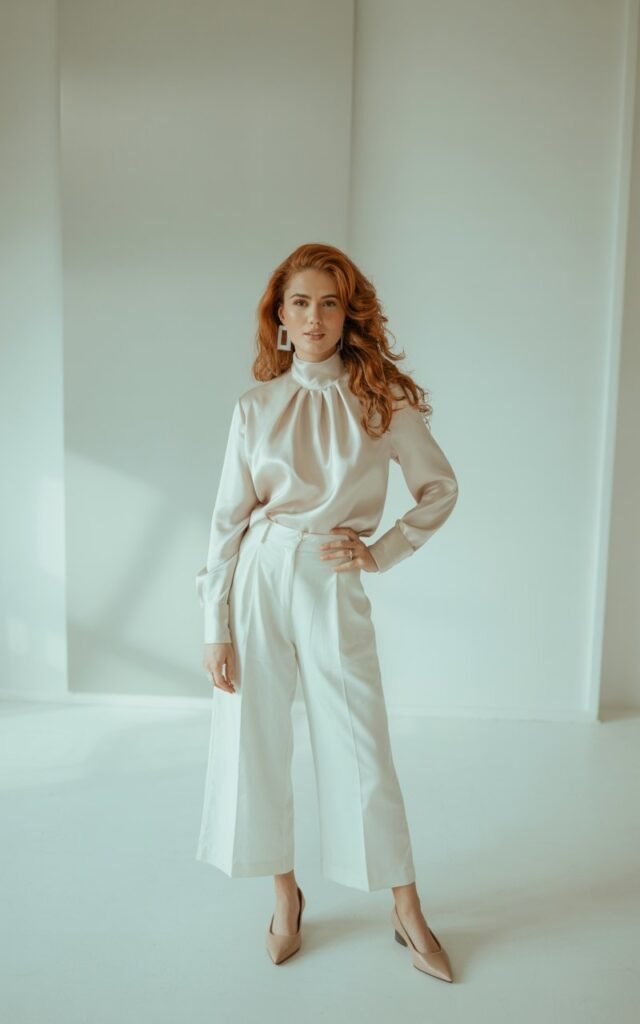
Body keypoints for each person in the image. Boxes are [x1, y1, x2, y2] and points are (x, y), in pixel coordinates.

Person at [195, 243, 459, 979]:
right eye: (300, 303)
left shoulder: (382, 401)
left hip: (332, 574)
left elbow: (439, 488)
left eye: (329, 303)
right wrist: (215, 624)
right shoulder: (255, 408)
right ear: (280, 317)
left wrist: (382, 550)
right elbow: (226, 521)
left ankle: (407, 909)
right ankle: (286, 898)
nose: (314, 318)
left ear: (349, 314)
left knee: (361, 742)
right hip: (259, 573)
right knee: (255, 737)